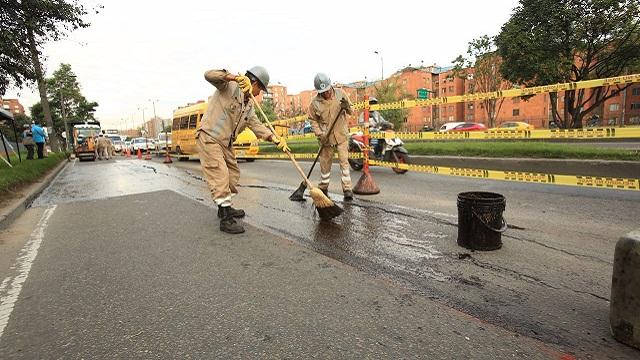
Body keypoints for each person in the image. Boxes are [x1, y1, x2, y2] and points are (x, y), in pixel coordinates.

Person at [196, 66, 290, 234]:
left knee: (232, 175)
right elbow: (208, 75)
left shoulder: (249, 106)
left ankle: (225, 206)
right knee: (220, 175)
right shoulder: (229, 87)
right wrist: (233, 78)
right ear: (253, 82)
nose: (260, 93)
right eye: (260, 88)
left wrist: (274, 138)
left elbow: (256, 125)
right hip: (210, 137)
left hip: (225, 142)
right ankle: (225, 219)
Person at [307, 73, 354, 201]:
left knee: (344, 162)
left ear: (330, 85)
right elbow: (312, 120)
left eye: (327, 90)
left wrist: (347, 106)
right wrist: (320, 134)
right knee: (325, 164)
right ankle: (323, 187)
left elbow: (351, 111)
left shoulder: (340, 93)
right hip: (325, 138)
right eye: (323, 92)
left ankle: (347, 189)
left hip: (341, 135)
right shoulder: (315, 103)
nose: (326, 93)